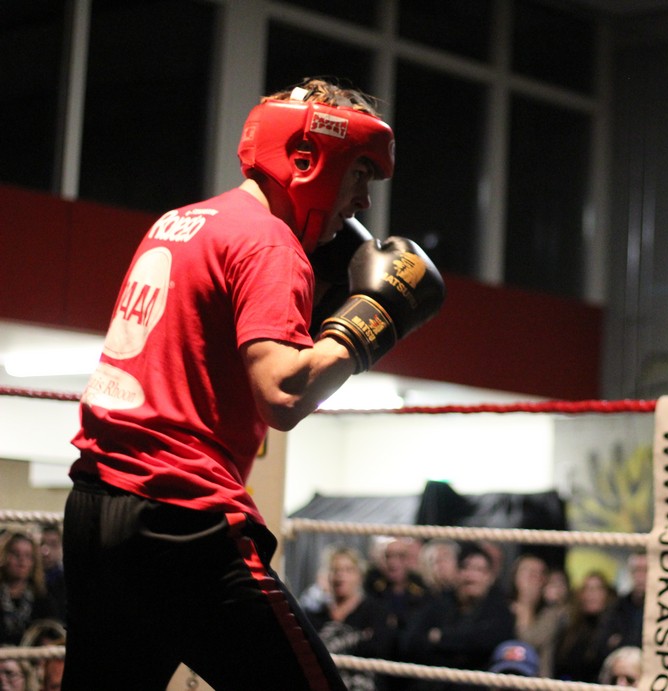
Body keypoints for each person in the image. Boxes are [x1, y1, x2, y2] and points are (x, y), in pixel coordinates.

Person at [61, 77, 445, 689]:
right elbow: (283, 393)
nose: (364, 202)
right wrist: (376, 316)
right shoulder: (271, 243)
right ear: (308, 159)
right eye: (359, 174)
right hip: (182, 520)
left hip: (96, 508)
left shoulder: (180, 221)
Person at [399, 542, 515, 691]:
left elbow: (490, 641)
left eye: (479, 570)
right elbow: (410, 642)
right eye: (465, 568)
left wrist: (440, 637)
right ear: (457, 573)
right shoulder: (439, 603)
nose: (471, 576)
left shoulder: (500, 609)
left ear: (490, 577)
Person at [304, 547, 394, 691]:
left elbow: (378, 650)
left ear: (360, 575)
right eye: (335, 570)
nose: (341, 576)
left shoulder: (375, 612)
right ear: (327, 575)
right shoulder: (314, 614)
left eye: (348, 570)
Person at [507, 553, 563, 676]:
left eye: (538, 574)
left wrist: (525, 607)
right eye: (527, 572)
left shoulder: (552, 614)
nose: (532, 578)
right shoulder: (502, 608)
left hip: (536, 679)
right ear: (515, 577)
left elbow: (528, 644)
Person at [0, 533, 58, 647]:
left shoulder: (42, 599)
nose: (21, 560)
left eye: (28, 556)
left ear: (34, 562)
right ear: (4, 557)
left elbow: (52, 635)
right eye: (15, 554)